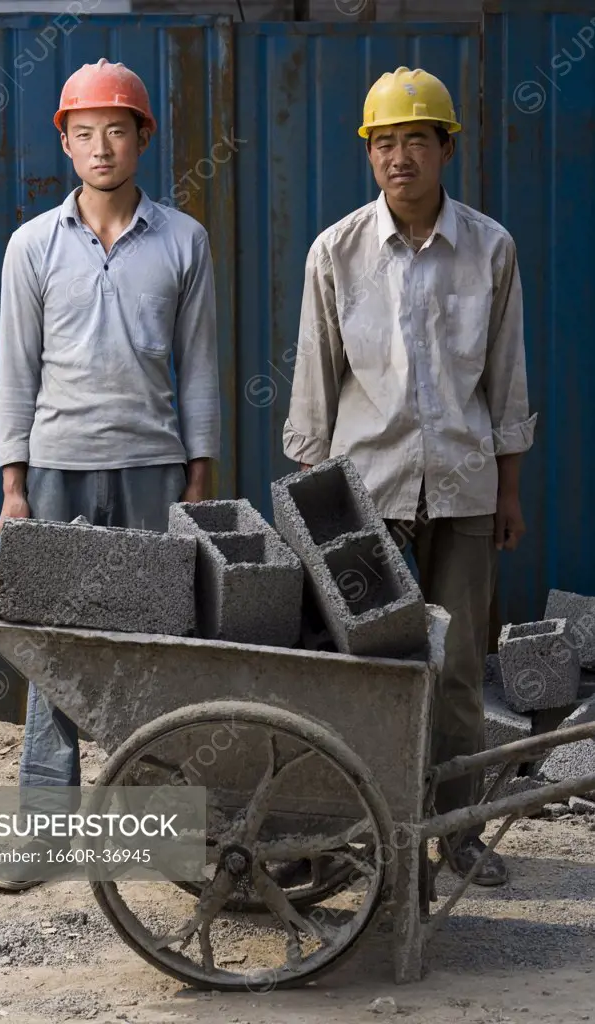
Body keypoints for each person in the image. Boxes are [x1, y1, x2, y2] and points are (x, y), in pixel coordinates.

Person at [282, 66, 536, 886]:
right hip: (367, 499)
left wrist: (509, 490)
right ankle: (363, 829)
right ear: (370, 155)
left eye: (415, 141)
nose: (399, 158)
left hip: (462, 491)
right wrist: (316, 504)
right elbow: (315, 385)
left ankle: (458, 831)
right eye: (384, 143)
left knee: (458, 668)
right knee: (369, 670)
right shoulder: (338, 251)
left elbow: (507, 380)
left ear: (445, 149)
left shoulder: (491, 249)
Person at [0, 57, 220, 891]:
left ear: (143, 138)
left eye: (115, 130)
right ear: (66, 141)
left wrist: (200, 475)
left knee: (156, 645)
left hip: (152, 467)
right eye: (83, 133)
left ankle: (152, 827)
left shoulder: (183, 239)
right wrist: (13, 484)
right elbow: (17, 370)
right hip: (57, 467)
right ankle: (43, 831)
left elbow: (198, 368)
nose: (99, 147)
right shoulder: (32, 246)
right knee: (53, 648)